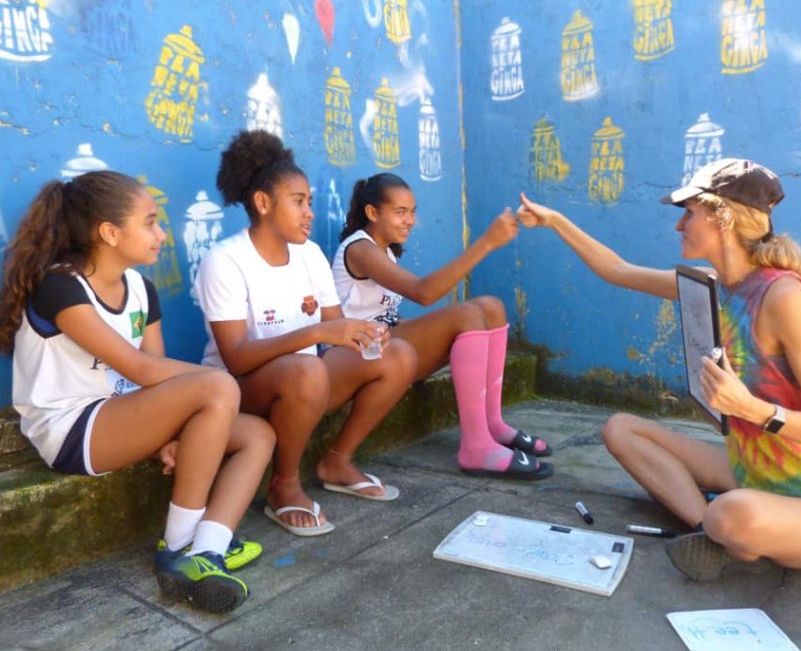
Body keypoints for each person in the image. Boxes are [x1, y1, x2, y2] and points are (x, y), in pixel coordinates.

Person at [518, 157, 801, 581]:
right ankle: (708, 533)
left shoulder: (783, 297)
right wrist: (556, 221)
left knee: (732, 514)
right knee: (620, 430)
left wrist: (753, 410)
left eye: (689, 214)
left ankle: (727, 529)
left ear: (723, 218)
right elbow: (617, 270)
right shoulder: (711, 286)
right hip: (753, 470)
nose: (679, 225)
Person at [0, 171, 275, 613]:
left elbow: (158, 376)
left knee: (258, 435)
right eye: (149, 223)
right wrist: (214, 393)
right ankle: (178, 548)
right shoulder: (61, 287)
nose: (161, 234)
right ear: (109, 232)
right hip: (73, 430)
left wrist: (171, 429)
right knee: (218, 386)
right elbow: (142, 369)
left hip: (126, 414)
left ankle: (209, 548)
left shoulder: (142, 290)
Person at [196, 131, 417, 538]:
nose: (309, 213)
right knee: (307, 368)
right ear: (263, 203)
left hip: (304, 382)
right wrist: (316, 331)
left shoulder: (310, 254)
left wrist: (366, 335)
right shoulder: (225, 260)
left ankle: (338, 461)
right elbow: (236, 358)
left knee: (398, 355)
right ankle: (284, 484)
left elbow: (336, 330)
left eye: (310, 202)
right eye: (298, 202)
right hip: (242, 390)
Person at [332, 172, 553, 480]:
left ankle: (492, 424)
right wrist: (487, 243)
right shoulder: (360, 249)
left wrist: (423, 328)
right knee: (466, 317)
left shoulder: (385, 251)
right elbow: (423, 293)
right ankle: (476, 447)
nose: (410, 220)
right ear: (372, 212)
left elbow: (384, 315)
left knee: (491, 307)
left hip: (383, 346)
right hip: (356, 356)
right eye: (400, 212)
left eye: (412, 212)